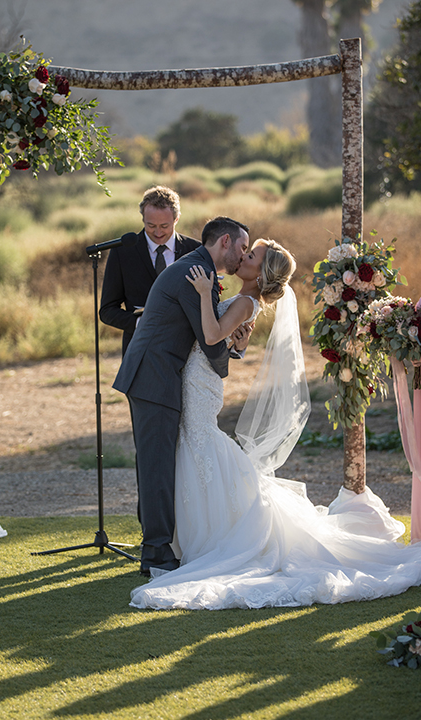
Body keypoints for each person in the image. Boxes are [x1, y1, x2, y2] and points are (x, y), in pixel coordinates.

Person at [129, 238, 421, 610]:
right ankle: (186, 538)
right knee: (196, 447)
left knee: (200, 442)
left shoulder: (246, 301)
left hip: (199, 385)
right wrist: (236, 345)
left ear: (262, 272)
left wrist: (204, 294)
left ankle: (206, 538)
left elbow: (212, 334)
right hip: (197, 379)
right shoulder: (243, 301)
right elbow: (224, 343)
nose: (244, 258)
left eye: (251, 256)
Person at [113, 217, 252, 576]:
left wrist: (232, 349)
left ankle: (159, 545)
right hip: (153, 377)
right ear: (225, 241)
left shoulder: (198, 269)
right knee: (157, 467)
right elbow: (208, 340)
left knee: (160, 463)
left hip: (158, 375)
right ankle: (156, 553)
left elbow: (204, 335)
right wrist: (228, 359)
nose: (244, 254)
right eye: (242, 247)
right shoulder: (195, 275)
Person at [100, 185, 200, 355]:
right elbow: (107, 311)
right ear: (143, 219)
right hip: (139, 351)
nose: (158, 232)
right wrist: (140, 323)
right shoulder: (122, 252)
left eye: (164, 225)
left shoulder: (196, 250)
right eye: (151, 225)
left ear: (177, 219)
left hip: (186, 351)